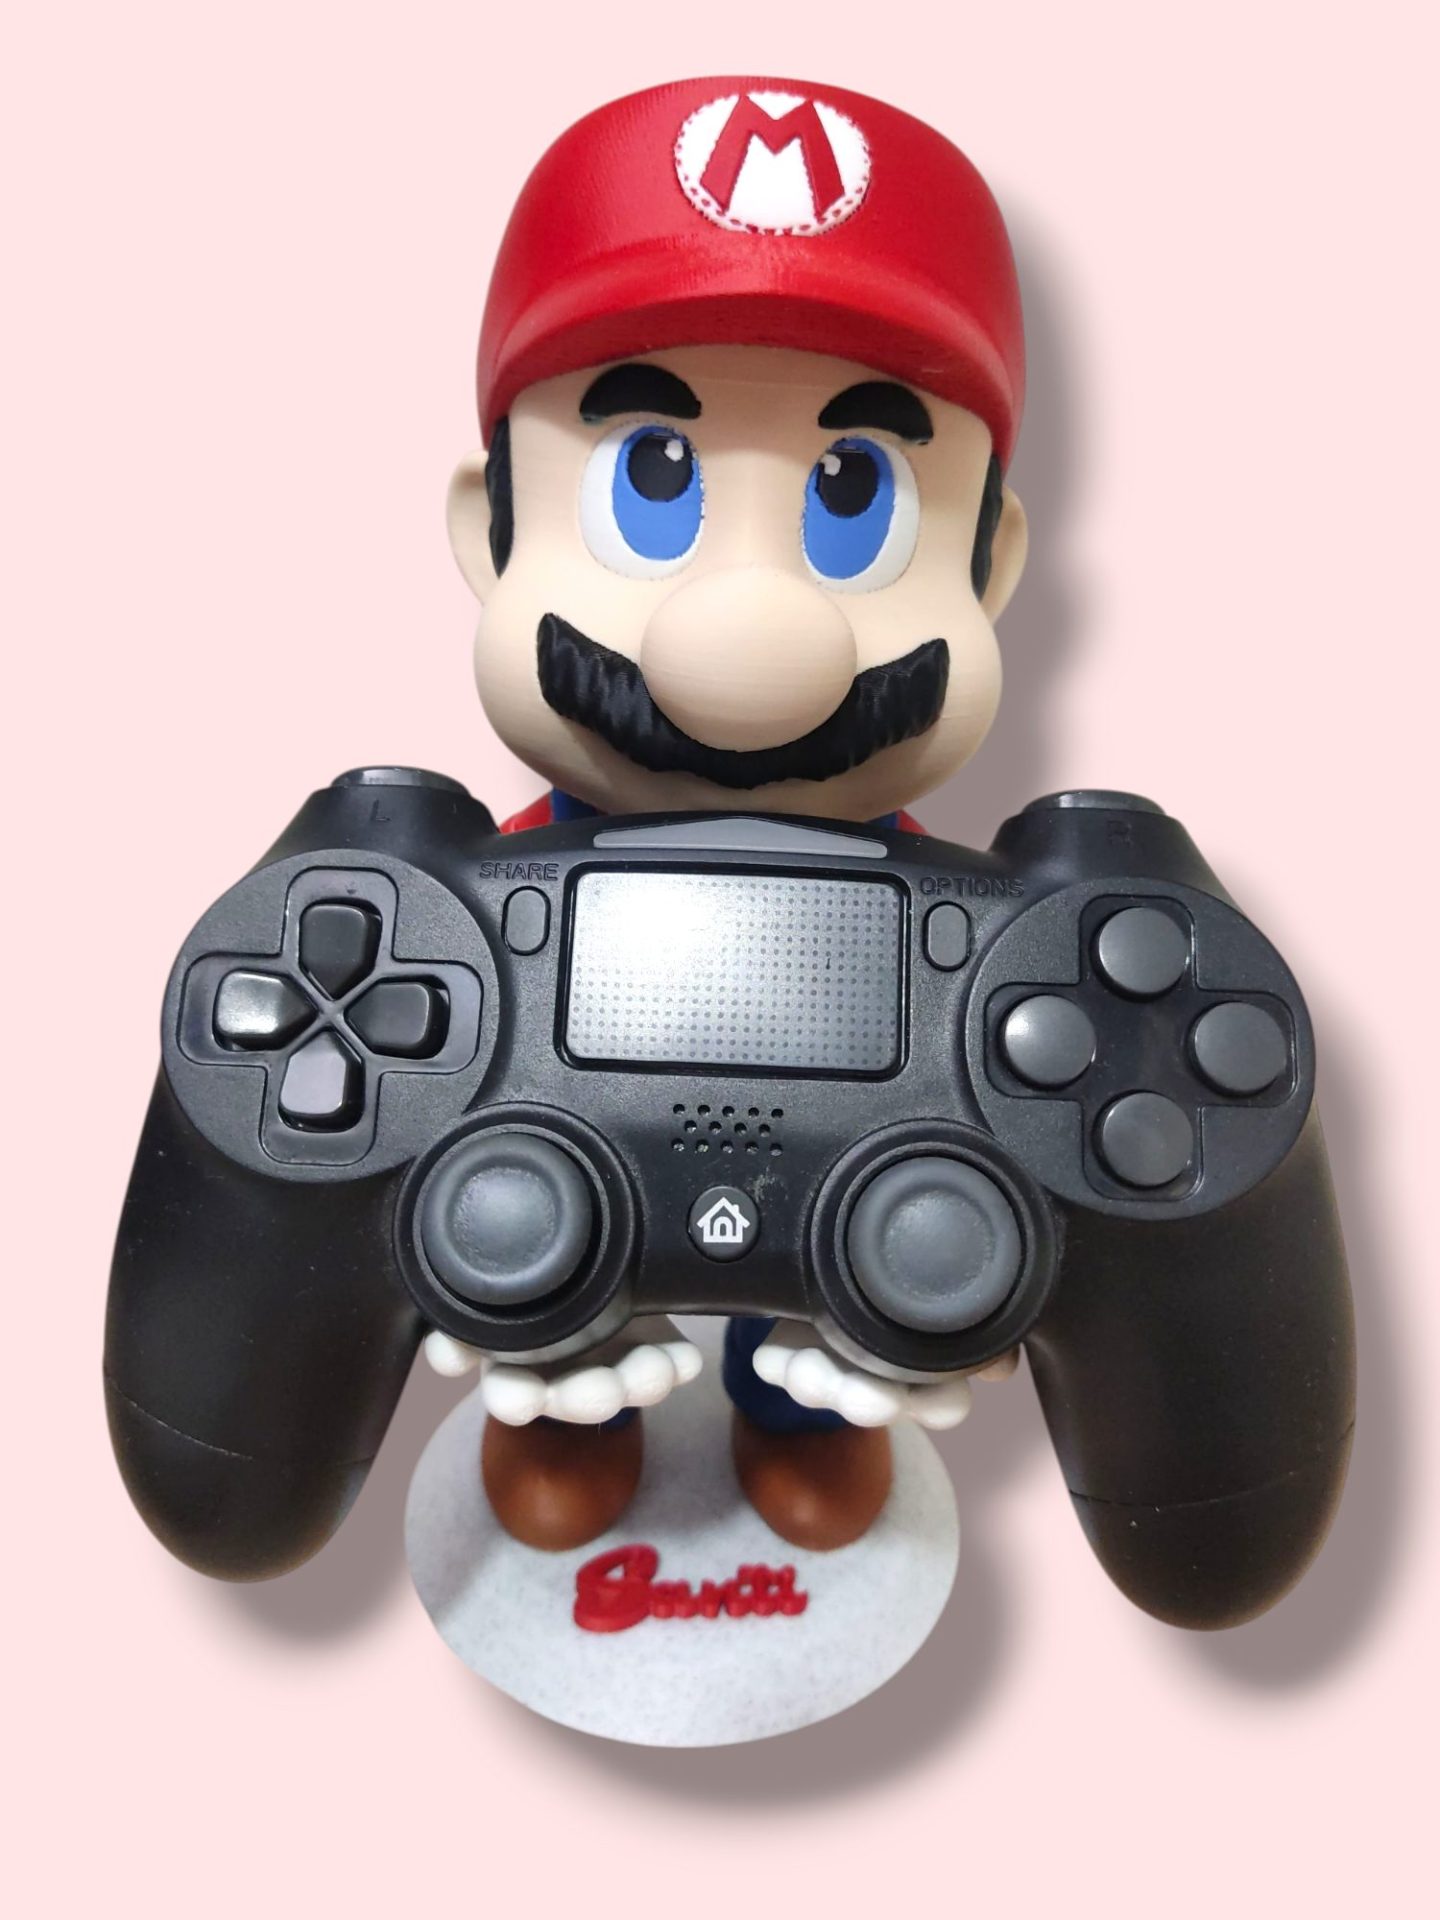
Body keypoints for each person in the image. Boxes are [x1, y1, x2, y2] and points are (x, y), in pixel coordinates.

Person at [427, 77, 1028, 1552]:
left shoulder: (940, 921)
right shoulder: (499, 888)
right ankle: (575, 1401)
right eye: (653, 480)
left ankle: (795, 1407)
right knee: (535, 1197)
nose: (750, 639)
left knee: (855, 1201)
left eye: (854, 496)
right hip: (560, 1194)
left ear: (991, 565)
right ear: (487, 535)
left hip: (850, 1127)